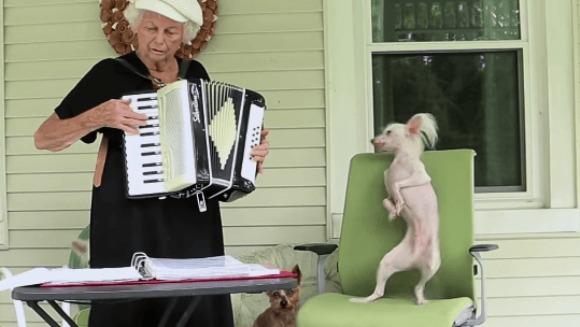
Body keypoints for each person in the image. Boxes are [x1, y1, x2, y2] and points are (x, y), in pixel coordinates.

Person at [33, 0, 269, 326]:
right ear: (135, 27)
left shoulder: (195, 74)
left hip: (192, 223)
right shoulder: (109, 74)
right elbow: (45, 137)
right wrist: (98, 115)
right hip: (128, 221)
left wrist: (247, 158)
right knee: (127, 310)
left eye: (170, 31)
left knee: (197, 312)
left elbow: (212, 156)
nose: (159, 39)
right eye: (151, 29)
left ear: (185, 35)